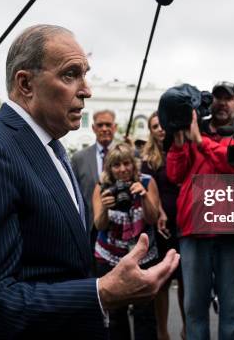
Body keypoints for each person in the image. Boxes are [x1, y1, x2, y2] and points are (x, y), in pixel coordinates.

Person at [0, 24, 179, 339]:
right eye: (70, 75)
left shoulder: (52, 147)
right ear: (25, 83)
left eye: (85, 74)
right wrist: (102, 293)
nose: (87, 89)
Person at [167, 109, 234, 340]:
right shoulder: (188, 140)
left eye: (228, 98)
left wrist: (201, 142)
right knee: (194, 308)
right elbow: (175, 175)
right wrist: (180, 144)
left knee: (232, 308)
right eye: (217, 98)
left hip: (230, 232)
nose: (222, 104)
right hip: (193, 231)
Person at [93, 143, 160, 339]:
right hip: (110, 258)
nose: (122, 169)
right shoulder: (102, 187)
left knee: (145, 313)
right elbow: (99, 225)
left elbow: (152, 219)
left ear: (134, 164)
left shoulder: (146, 182)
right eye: (116, 165)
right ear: (110, 168)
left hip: (143, 257)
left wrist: (144, 196)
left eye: (126, 163)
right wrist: (105, 207)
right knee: (115, 316)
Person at [140, 111, 185, 340]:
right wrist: (160, 212)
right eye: (154, 126)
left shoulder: (181, 148)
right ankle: (163, 332)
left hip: (186, 223)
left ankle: (188, 330)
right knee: (164, 281)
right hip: (162, 227)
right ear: (150, 130)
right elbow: (148, 188)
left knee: (185, 280)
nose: (159, 129)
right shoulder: (148, 158)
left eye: (162, 124)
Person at [71, 109, 117, 243]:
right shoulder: (79, 158)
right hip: (90, 228)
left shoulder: (127, 156)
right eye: (100, 125)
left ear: (115, 128)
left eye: (108, 125)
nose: (104, 129)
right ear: (93, 128)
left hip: (121, 227)